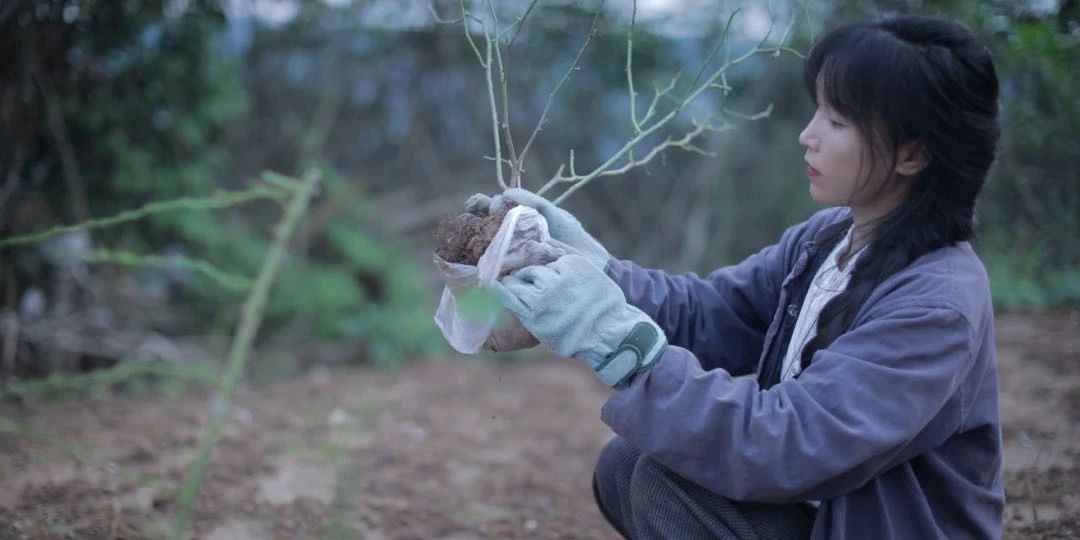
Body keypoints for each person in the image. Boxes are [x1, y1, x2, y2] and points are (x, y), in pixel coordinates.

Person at [466, 14, 1003, 539]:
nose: (807, 135)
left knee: (665, 484)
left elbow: (786, 445)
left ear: (912, 154)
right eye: (817, 111)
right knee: (628, 462)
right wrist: (590, 266)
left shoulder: (936, 302)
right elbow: (713, 313)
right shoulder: (827, 240)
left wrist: (614, 339)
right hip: (822, 511)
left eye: (837, 121)